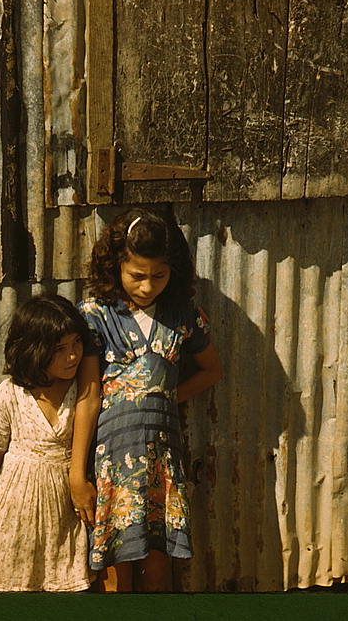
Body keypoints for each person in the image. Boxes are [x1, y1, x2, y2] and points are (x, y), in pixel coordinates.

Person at [71, 207, 224, 592]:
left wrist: (167, 397)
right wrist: (76, 475)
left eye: (159, 275)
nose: (147, 286)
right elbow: (88, 397)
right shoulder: (95, 316)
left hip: (162, 460)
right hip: (112, 461)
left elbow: (212, 371)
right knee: (115, 569)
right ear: (116, 266)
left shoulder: (184, 314)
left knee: (157, 565)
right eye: (137, 275)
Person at [0, 294, 94, 591]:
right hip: (15, 516)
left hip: (65, 514)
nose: (72, 356)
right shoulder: (8, 396)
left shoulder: (83, 392)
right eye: (59, 349)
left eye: (76, 344)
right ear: (33, 349)